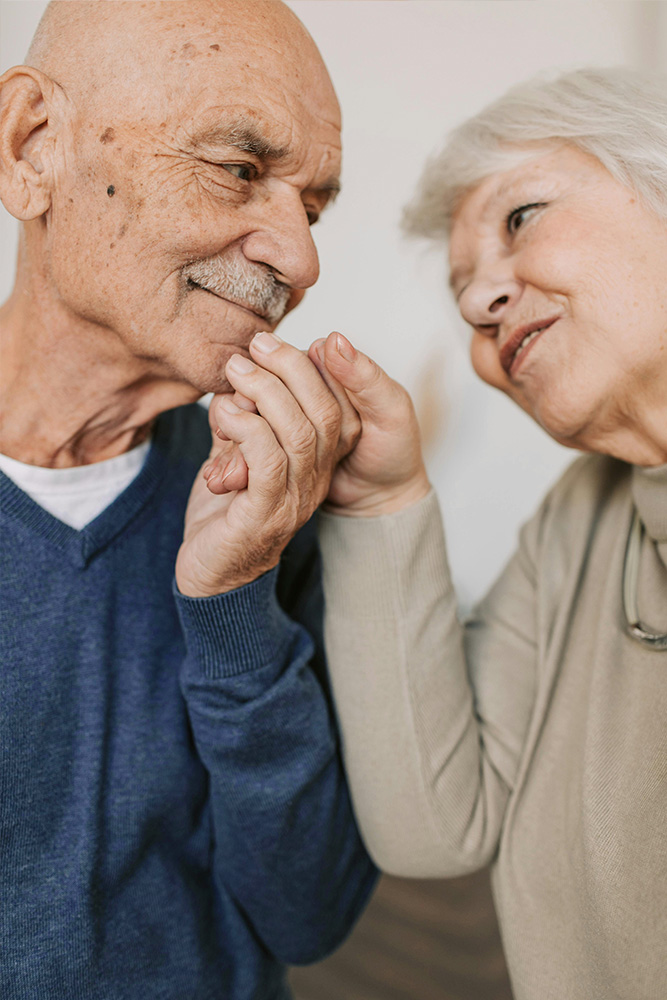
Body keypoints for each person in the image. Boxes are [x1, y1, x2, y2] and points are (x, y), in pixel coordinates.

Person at [0, 2, 377, 997]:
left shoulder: (275, 501)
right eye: (238, 168)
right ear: (32, 145)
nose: (300, 260)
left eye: (314, 206)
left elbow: (311, 913)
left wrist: (234, 601)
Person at [312, 68, 667, 1000]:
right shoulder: (577, 526)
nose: (478, 306)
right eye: (463, 293)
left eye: (519, 218)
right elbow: (433, 826)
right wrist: (380, 504)